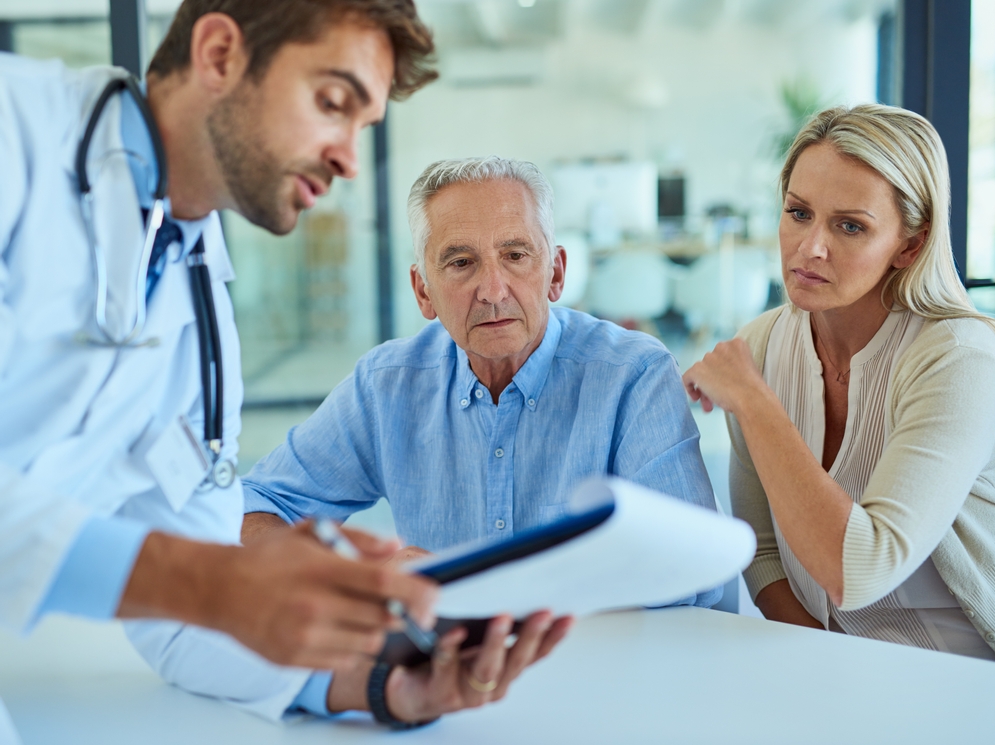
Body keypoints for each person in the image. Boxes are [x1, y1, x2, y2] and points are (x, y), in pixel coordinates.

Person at [133, 155, 722, 724]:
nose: (492, 288)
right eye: (460, 263)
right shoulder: (388, 385)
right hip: (440, 692)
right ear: (423, 291)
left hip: (608, 689)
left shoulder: (633, 373)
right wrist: (353, 570)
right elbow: (257, 503)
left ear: (556, 272)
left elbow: (695, 581)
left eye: (516, 256)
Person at [0, 0, 442, 698]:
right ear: (218, 55)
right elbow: (202, 587)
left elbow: (187, 624)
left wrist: (380, 682)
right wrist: (211, 581)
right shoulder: (13, 129)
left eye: (365, 128)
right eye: (333, 102)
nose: (350, 160)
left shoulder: (199, 316)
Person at [683, 104, 995, 661]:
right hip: (837, 666)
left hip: (969, 674)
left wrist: (755, 403)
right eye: (798, 213)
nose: (811, 248)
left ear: (910, 245)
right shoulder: (759, 345)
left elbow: (860, 571)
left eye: (850, 226)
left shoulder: (959, 361)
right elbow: (761, 552)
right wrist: (827, 665)